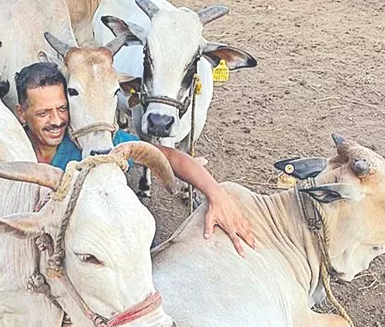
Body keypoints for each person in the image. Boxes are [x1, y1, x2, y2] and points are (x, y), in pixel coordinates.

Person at [14, 63, 255, 256]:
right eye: (43, 113)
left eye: (62, 108)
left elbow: (171, 157)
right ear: (21, 113)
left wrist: (217, 194)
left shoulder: (91, 142)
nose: (56, 121)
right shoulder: (12, 148)